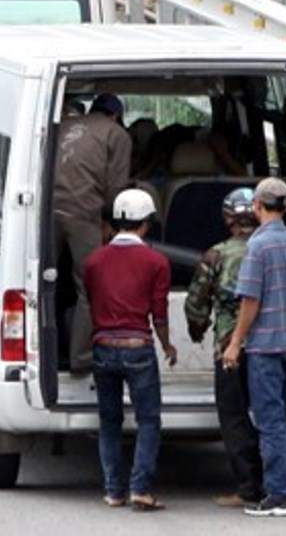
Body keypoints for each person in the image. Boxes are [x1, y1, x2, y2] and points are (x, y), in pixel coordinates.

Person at [223, 177, 286, 517]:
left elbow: (250, 300)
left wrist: (235, 343)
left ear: (258, 206)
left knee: (270, 421)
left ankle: (278, 496)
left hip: (266, 348)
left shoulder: (257, 247)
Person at [83, 188, 177, 511]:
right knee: (148, 419)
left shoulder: (93, 261)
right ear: (147, 224)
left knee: (109, 421)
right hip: (138, 347)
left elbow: (91, 301)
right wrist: (167, 345)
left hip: (103, 347)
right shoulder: (157, 262)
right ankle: (140, 488)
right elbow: (159, 313)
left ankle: (113, 491)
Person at [183, 187, 264, 508]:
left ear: (228, 219)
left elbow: (196, 304)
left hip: (229, 348)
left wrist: (197, 331)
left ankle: (248, 487)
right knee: (270, 416)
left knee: (234, 417)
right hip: (269, 344)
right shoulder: (269, 249)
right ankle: (280, 483)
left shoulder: (216, 255)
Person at [53, 92, 132, 373]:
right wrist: (111, 221)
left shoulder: (60, 126)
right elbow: (116, 187)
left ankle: (45, 354)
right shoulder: (116, 134)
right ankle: (81, 358)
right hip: (85, 215)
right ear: (115, 116)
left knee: (43, 282)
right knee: (88, 286)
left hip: (46, 213)